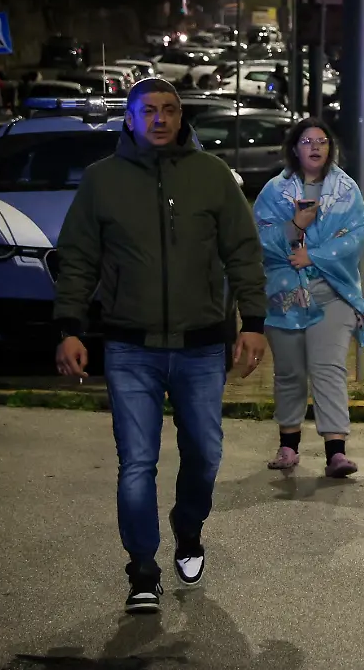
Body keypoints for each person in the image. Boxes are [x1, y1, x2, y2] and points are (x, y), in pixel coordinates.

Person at [53, 78, 269, 614]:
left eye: (169, 109)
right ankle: (143, 570)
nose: (160, 118)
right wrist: (70, 327)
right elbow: (78, 258)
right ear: (129, 119)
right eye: (148, 110)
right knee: (136, 463)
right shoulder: (102, 180)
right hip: (131, 347)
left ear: (180, 117)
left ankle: (188, 529)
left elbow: (243, 251)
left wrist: (254, 320)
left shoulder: (212, 175)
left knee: (205, 454)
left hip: (202, 346)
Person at [254, 118, 364, 476]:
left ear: (330, 148)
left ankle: (336, 452)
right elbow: (260, 239)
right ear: (294, 148)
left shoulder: (347, 190)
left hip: (332, 294)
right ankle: (288, 446)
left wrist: (313, 256)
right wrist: (295, 226)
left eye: (322, 141)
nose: (315, 147)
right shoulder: (274, 191)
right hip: (284, 298)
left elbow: (355, 237)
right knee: (289, 372)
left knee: (329, 369)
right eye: (306, 141)